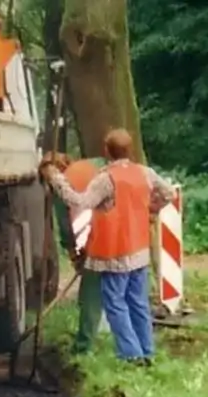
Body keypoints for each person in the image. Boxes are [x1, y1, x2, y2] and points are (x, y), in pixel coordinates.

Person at [40, 129, 175, 365]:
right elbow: (169, 193)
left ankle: (131, 355)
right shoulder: (144, 173)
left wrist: (55, 179)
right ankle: (147, 351)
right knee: (138, 303)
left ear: (106, 150)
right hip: (139, 250)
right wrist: (151, 210)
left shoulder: (106, 179)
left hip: (115, 253)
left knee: (115, 302)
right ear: (130, 150)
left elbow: (79, 201)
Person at [51, 156, 106, 354]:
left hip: (95, 242)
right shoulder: (92, 166)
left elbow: (66, 226)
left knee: (90, 294)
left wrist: (74, 254)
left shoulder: (61, 184)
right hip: (115, 234)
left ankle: (84, 347)